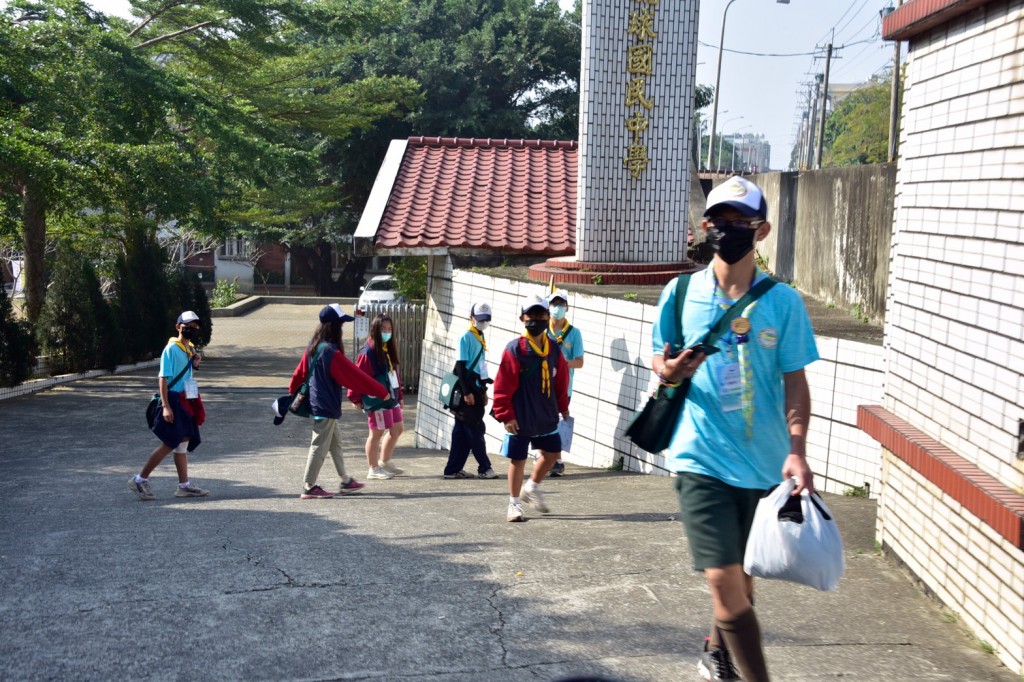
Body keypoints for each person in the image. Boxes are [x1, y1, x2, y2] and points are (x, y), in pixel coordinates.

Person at [651, 176, 818, 681]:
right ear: (706, 227)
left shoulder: (783, 303)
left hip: (765, 465)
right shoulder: (680, 294)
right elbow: (660, 361)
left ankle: (715, 649)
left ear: (761, 230)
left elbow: (795, 382)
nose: (727, 231)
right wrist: (670, 371)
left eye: (739, 223)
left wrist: (797, 449)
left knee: (741, 586)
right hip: (698, 459)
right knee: (723, 580)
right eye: (719, 221)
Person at [289, 304, 388, 499]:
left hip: (319, 403)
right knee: (319, 446)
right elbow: (354, 376)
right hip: (325, 405)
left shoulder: (313, 345)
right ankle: (309, 486)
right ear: (334, 326)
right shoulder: (330, 351)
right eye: (341, 325)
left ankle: (345, 480)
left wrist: (292, 392)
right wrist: (380, 391)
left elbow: (299, 372)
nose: (342, 329)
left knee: (335, 443)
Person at [491, 294, 570, 522]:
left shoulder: (553, 349)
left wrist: (563, 408)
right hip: (521, 414)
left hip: (546, 412)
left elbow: (561, 381)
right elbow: (502, 384)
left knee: (553, 453)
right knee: (518, 460)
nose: (536, 320)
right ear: (522, 318)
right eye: (531, 315)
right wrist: (506, 415)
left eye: (541, 315)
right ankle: (514, 504)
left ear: (547, 318)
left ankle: (532, 486)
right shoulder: (515, 349)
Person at [129, 311, 210, 501]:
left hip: (185, 399)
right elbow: (163, 378)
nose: (192, 329)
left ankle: (184, 486)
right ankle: (140, 479)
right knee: (171, 442)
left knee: (182, 443)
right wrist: (166, 406)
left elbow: (184, 375)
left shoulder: (188, 349)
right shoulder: (171, 349)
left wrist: (195, 363)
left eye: (195, 326)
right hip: (173, 400)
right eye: (188, 325)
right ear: (178, 327)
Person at [443, 302, 500, 480]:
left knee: (461, 431)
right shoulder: (466, 337)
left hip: (475, 388)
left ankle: (452, 469)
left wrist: (483, 390)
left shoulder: (480, 336)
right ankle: (484, 467)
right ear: (471, 318)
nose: (483, 323)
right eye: (479, 319)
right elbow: (460, 367)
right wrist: (467, 393)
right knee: (475, 428)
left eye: (485, 320)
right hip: (465, 390)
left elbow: (481, 366)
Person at [350, 313, 406, 480]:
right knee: (376, 433)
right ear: (375, 330)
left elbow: (394, 373)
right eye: (383, 329)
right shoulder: (367, 353)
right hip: (377, 400)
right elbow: (357, 377)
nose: (387, 332)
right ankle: (373, 468)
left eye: (389, 329)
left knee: (397, 429)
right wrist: (356, 399)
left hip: (391, 397)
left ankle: (385, 461)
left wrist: (400, 395)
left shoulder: (387, 349)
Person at [544, 289, 584, 476]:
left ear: (567, 307)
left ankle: (557, 460)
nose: (557, 308)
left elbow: (580, 361)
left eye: (561, 304)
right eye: (554, 304)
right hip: (543, 383)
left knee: (559, 420)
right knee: (545, 419)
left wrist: (561, 364)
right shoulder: (544, 331)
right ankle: (545, 455)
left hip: (564, 385)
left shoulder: (574, 333)